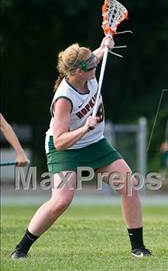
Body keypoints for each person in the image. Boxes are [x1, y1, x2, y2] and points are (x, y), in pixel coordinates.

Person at [10, 37, 151, 259]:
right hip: (66, 148)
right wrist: (85, 128)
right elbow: (59, 141)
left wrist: (106, 44)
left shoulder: (87, 69)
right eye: (90, 66)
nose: (95, 66)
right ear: (76, 72)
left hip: (95, 143)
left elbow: (96, 55)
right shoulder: (64, 98)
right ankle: (21, 248)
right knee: (61, 201)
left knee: (129, 185)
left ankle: (138, 248)